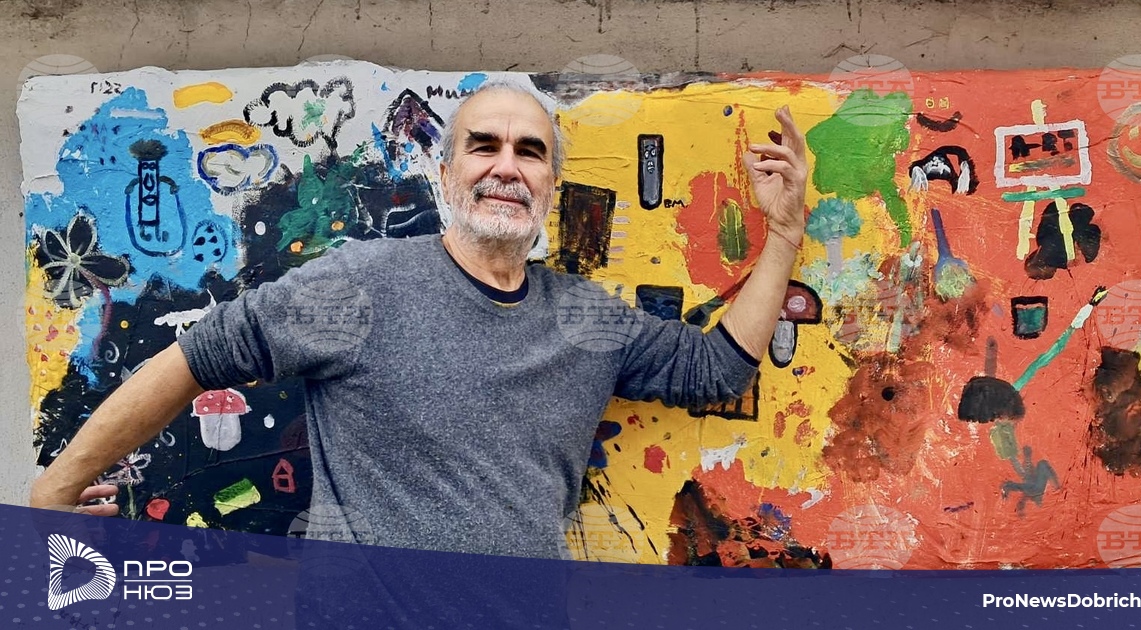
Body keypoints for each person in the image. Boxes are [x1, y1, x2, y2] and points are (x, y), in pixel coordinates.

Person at [30, 81, 809, 560]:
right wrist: (58, 486)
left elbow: (717, 369)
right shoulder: (358, 285)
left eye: (530, 151)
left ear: (551, 183)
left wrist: (782, 234)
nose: (506, 166)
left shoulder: (586, 319)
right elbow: (194, 359)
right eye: (484, 146)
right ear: (445, 171)